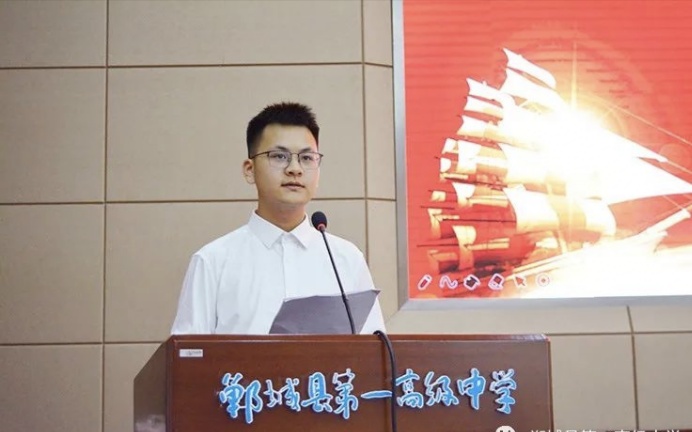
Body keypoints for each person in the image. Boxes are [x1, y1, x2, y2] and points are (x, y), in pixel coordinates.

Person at [171, 102, 386, 335]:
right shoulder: (213, 262)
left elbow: (374, 350)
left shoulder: (346, 259)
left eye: (307, 158)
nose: (295, 169)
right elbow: (188, 353)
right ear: (249, 170)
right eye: (279, 156)